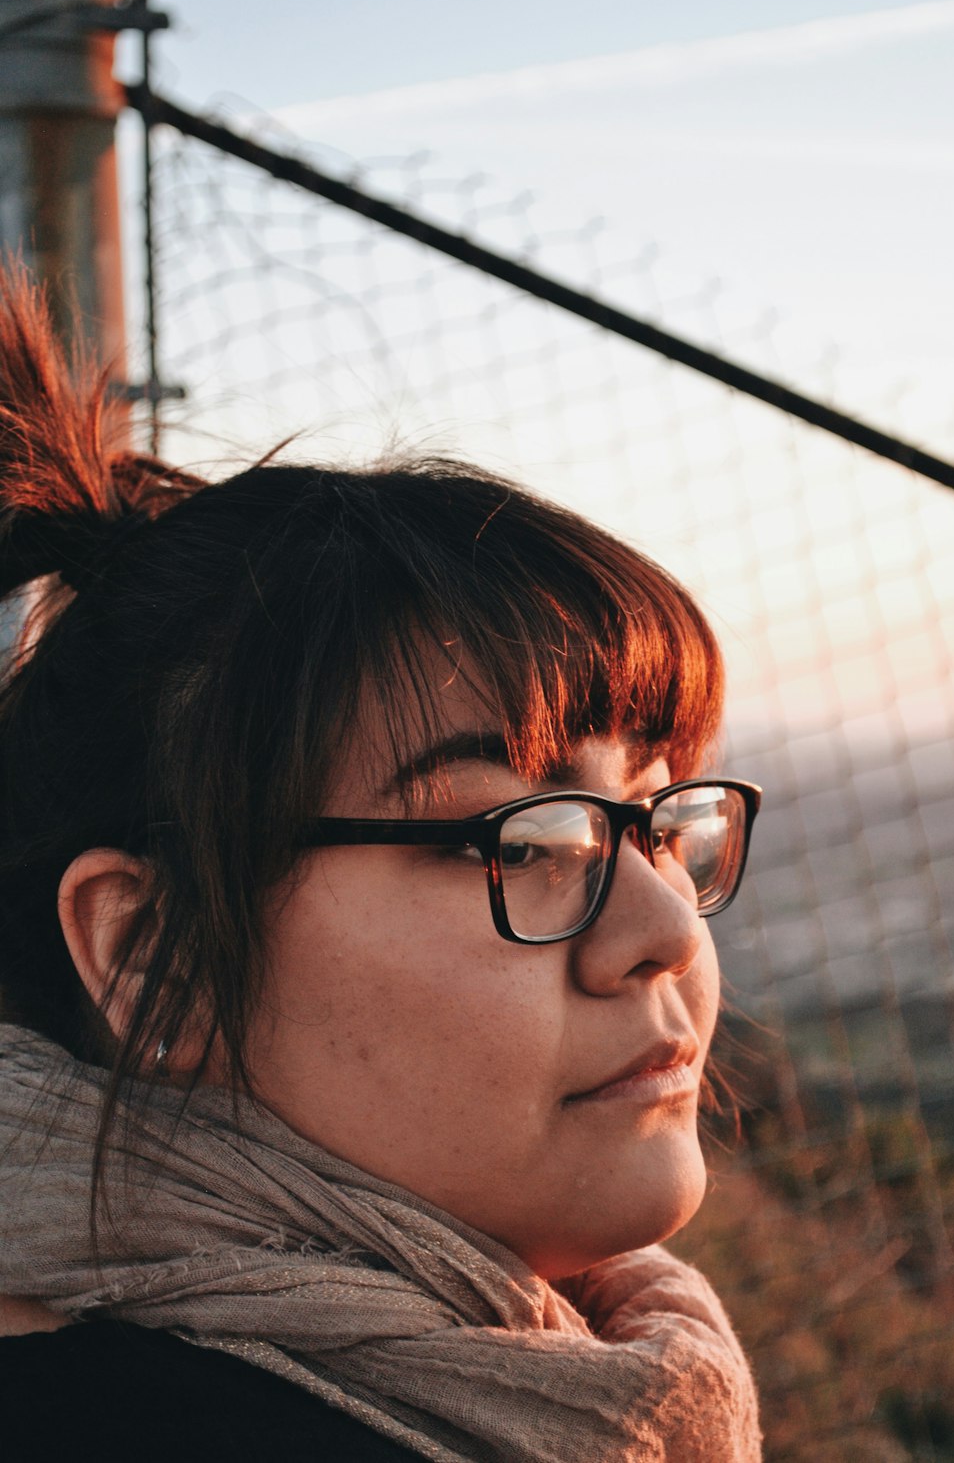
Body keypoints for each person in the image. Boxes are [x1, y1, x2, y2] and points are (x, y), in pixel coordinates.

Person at [0, 269, 763, 1462]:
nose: (664, 926)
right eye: (523, 841)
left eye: (654, 819)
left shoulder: (543, 1368)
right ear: (153, 960)